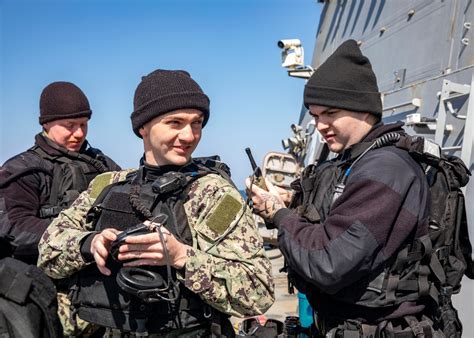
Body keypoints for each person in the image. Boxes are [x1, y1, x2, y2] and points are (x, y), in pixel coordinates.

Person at [246, 40, 467, 337]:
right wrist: (291, 200)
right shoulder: (357, 160)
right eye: (315, 116)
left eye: (331, 113)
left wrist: (279, 214)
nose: (320, 125)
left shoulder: (385, 169)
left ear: (362, 108)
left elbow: (326, 262)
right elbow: (342, 213)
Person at [38, 69, 275, 337]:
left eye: (196, 123)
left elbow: (259, 291)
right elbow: (46, 252)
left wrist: (181, 257)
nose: (189, 136)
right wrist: (89, 244)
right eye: (175, 123)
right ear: (143, 127)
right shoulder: (107, 185)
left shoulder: (212, 195)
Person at [0, 81, 120, 265]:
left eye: (83, 124)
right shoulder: (23, 169)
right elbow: (14, 227)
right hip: (46, 274)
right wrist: (80, 240)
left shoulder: (101, 163)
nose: (79, 133)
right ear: (46, 123)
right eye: (70, 125)